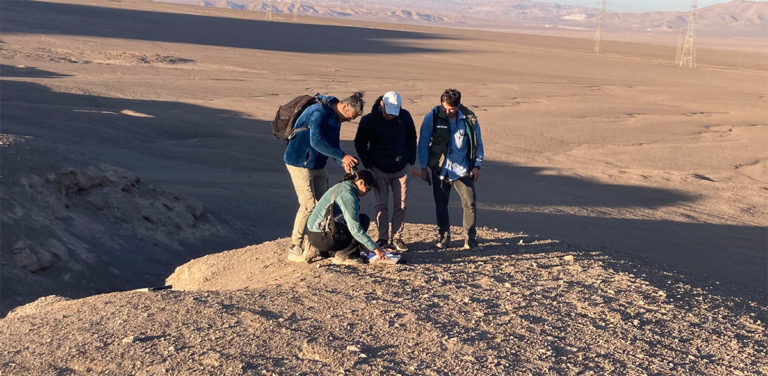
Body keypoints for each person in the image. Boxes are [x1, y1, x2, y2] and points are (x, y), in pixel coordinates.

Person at [284, 92, 364, 260]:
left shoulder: (335, 118)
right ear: (344, 107)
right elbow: (317, 141)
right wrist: (342, 157)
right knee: (308, 205)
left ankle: (320, 244)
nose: (350, 120)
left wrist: (343, 162)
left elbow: (333, 145)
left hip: (317, 164)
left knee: (325, 204)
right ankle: (295, 247)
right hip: (299, 162)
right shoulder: (318, 112)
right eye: (351, 116)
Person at [417, 88, 485, 250]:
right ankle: (444, 236)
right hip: (440, 170)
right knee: (441, 204)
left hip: (463, 170)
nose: (447, 111)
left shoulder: (469, 119)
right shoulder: (432, 117)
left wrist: (477, 165)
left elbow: (478, 144)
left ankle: (470, 238)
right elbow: (423, 143)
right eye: (444, 107)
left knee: (469, 203)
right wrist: (423, 167)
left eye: (451, 109)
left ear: (458, 106)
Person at [354, 91, 417, 252]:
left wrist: (410, 159)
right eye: (389, 113)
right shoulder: (369, 120)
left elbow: (411, 137)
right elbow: (360, 143)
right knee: (381, 204)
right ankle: (382, 238)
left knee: (401, 204)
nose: (391, 116)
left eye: (394, 113)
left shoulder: (405, 116)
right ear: (382, 105)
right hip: (378, 168)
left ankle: (396, 238)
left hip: (401, 168)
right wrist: (368, 164)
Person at [291, 169, 388, 265]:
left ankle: (321, 251)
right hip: (323, 238)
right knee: (363, 221)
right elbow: (355, 229)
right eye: (368, 189)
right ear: (361, 182)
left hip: (314, 235)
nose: (367, 193)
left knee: (355, 221)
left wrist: (364, 245)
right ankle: (344, 256)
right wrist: (375, 248)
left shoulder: (341, 186)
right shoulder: (348, 195)